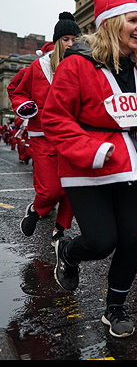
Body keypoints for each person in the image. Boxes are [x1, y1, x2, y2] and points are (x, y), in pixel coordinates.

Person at [42, 0, 137, 337]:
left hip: (132, 166)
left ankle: (115, 307)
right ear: (111, 24)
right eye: (133, 20)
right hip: (88, 169)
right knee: (101, 241)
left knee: (129, 240)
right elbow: (55, 119)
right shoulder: (77, 66)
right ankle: (68, 251)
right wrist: (91, 150)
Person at [11, 13, 80, 242]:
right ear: (58, 40)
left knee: (72, 188)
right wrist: (25, 106)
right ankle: (35, 210)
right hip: (42, 136)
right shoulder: (38, 66)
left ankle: (59, 231)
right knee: (51, 190)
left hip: (73, 137)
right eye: (66, 39)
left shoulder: (83, 66)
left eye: (74, 39)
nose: (70, 44)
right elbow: (18, 92)